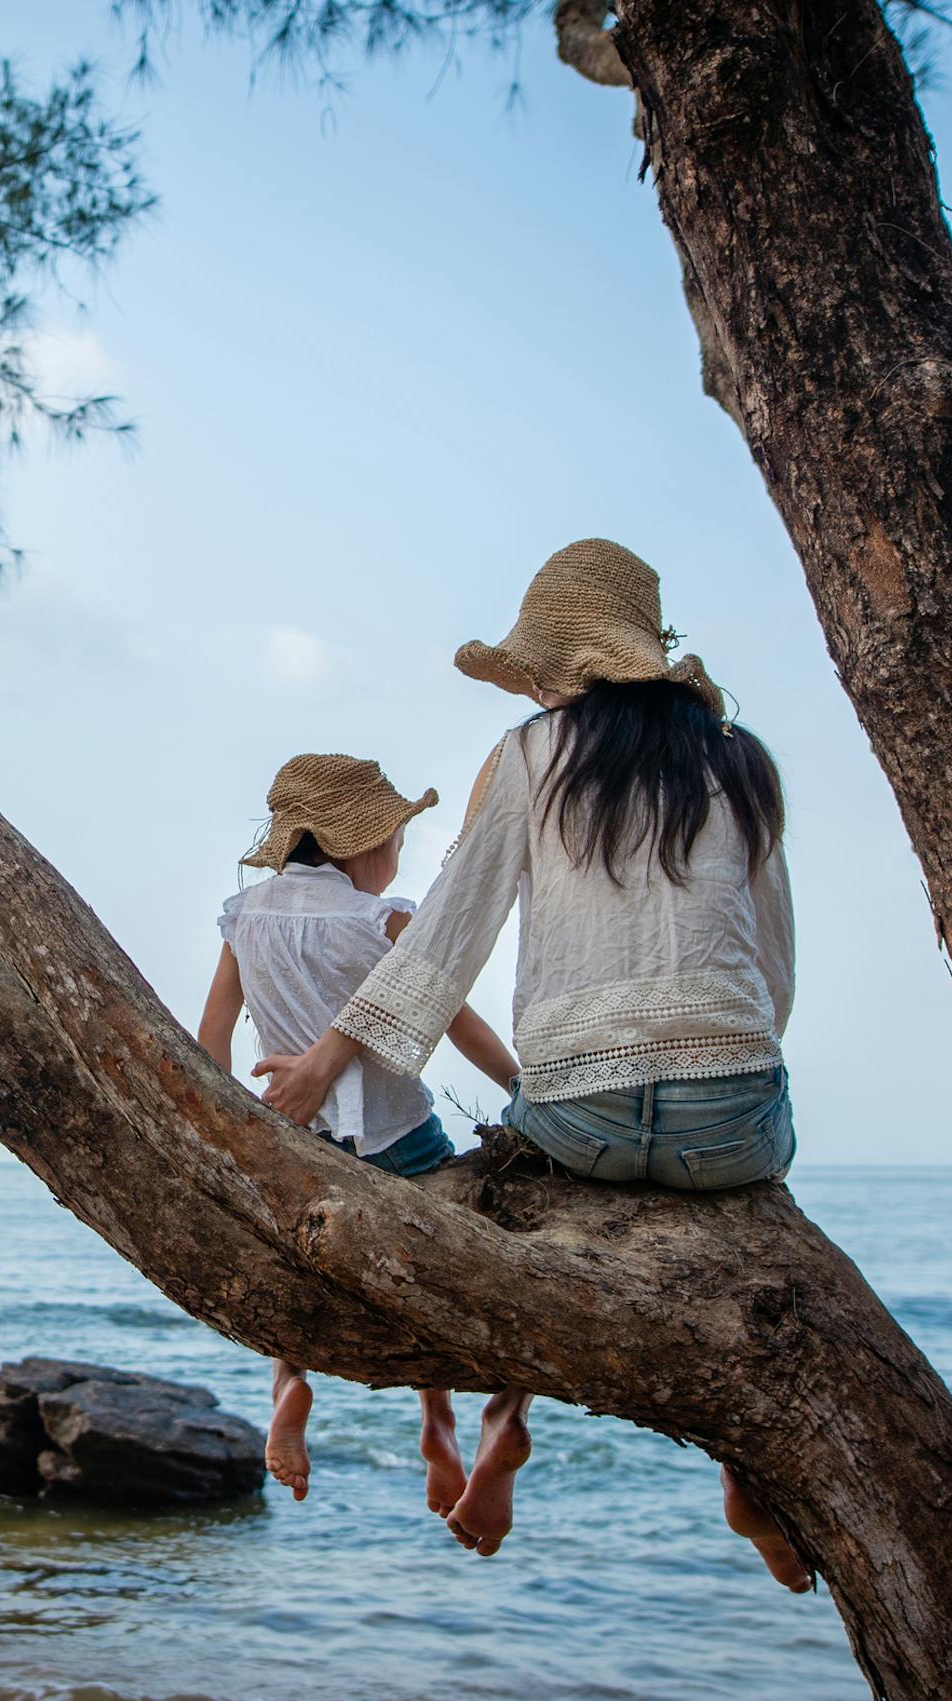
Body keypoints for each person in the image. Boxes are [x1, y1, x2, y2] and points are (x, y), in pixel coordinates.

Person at [255, 539, 809, 1589]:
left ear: (559, 668)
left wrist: (325, 1069)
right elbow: (772, 972)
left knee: (521, 1206)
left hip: (579, 1123)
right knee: (753, 1219)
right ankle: (747, 1468)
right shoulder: (743, 761)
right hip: (729, 1125)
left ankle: (507, 1422)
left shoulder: (526, 754)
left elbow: (445, 938)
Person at [197, 753, 518, 1514]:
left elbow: (211, 1031)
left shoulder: (248, 916)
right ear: (365, 846)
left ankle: (290, 1383)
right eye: (396, 839)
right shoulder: (382, 918)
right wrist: (520, 1087)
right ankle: (439, 1417)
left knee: (297, 1257)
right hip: (398, 1139)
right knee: (446, 1257)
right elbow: (456, 1021)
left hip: (294, 1134)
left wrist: (227, 1123)